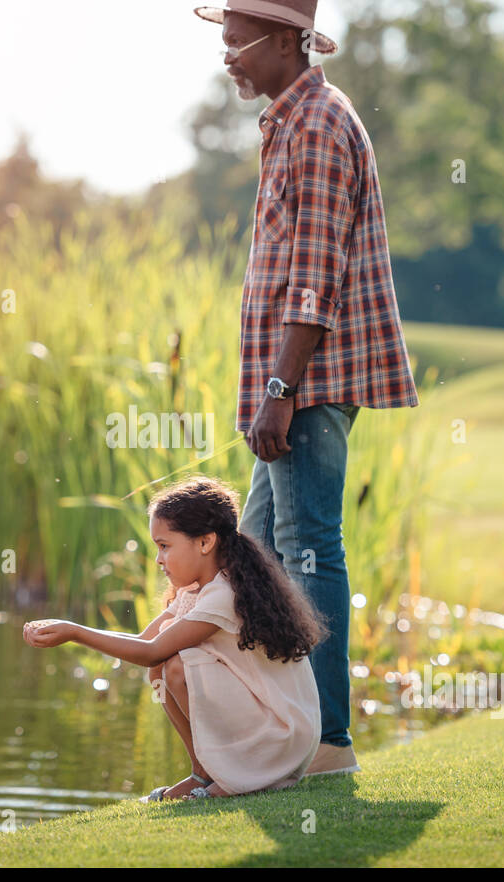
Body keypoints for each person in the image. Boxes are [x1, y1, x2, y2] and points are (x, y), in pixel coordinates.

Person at [193, 1, 421, 776]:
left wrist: (281, 387)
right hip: (292, 380)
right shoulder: (289, 122)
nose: (226, 58)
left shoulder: (319, 125)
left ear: (288, 41)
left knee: (310, 550)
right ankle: (261, 747)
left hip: (310, 383)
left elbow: (315, 279)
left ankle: (328, 745)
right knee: (249, 554)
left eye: (236, 44)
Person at [23, 476, 326, 801]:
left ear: (205, 542)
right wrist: (69, 628)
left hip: (283, 737)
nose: (158, 559)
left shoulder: (224, 596)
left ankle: (239, 774)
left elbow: (151, 651)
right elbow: (142, 642)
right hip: (272, 729)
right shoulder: (196, 592)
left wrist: (74, 632)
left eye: (164, 546)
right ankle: (203, 773)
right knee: (162, 671)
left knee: (177, 664)